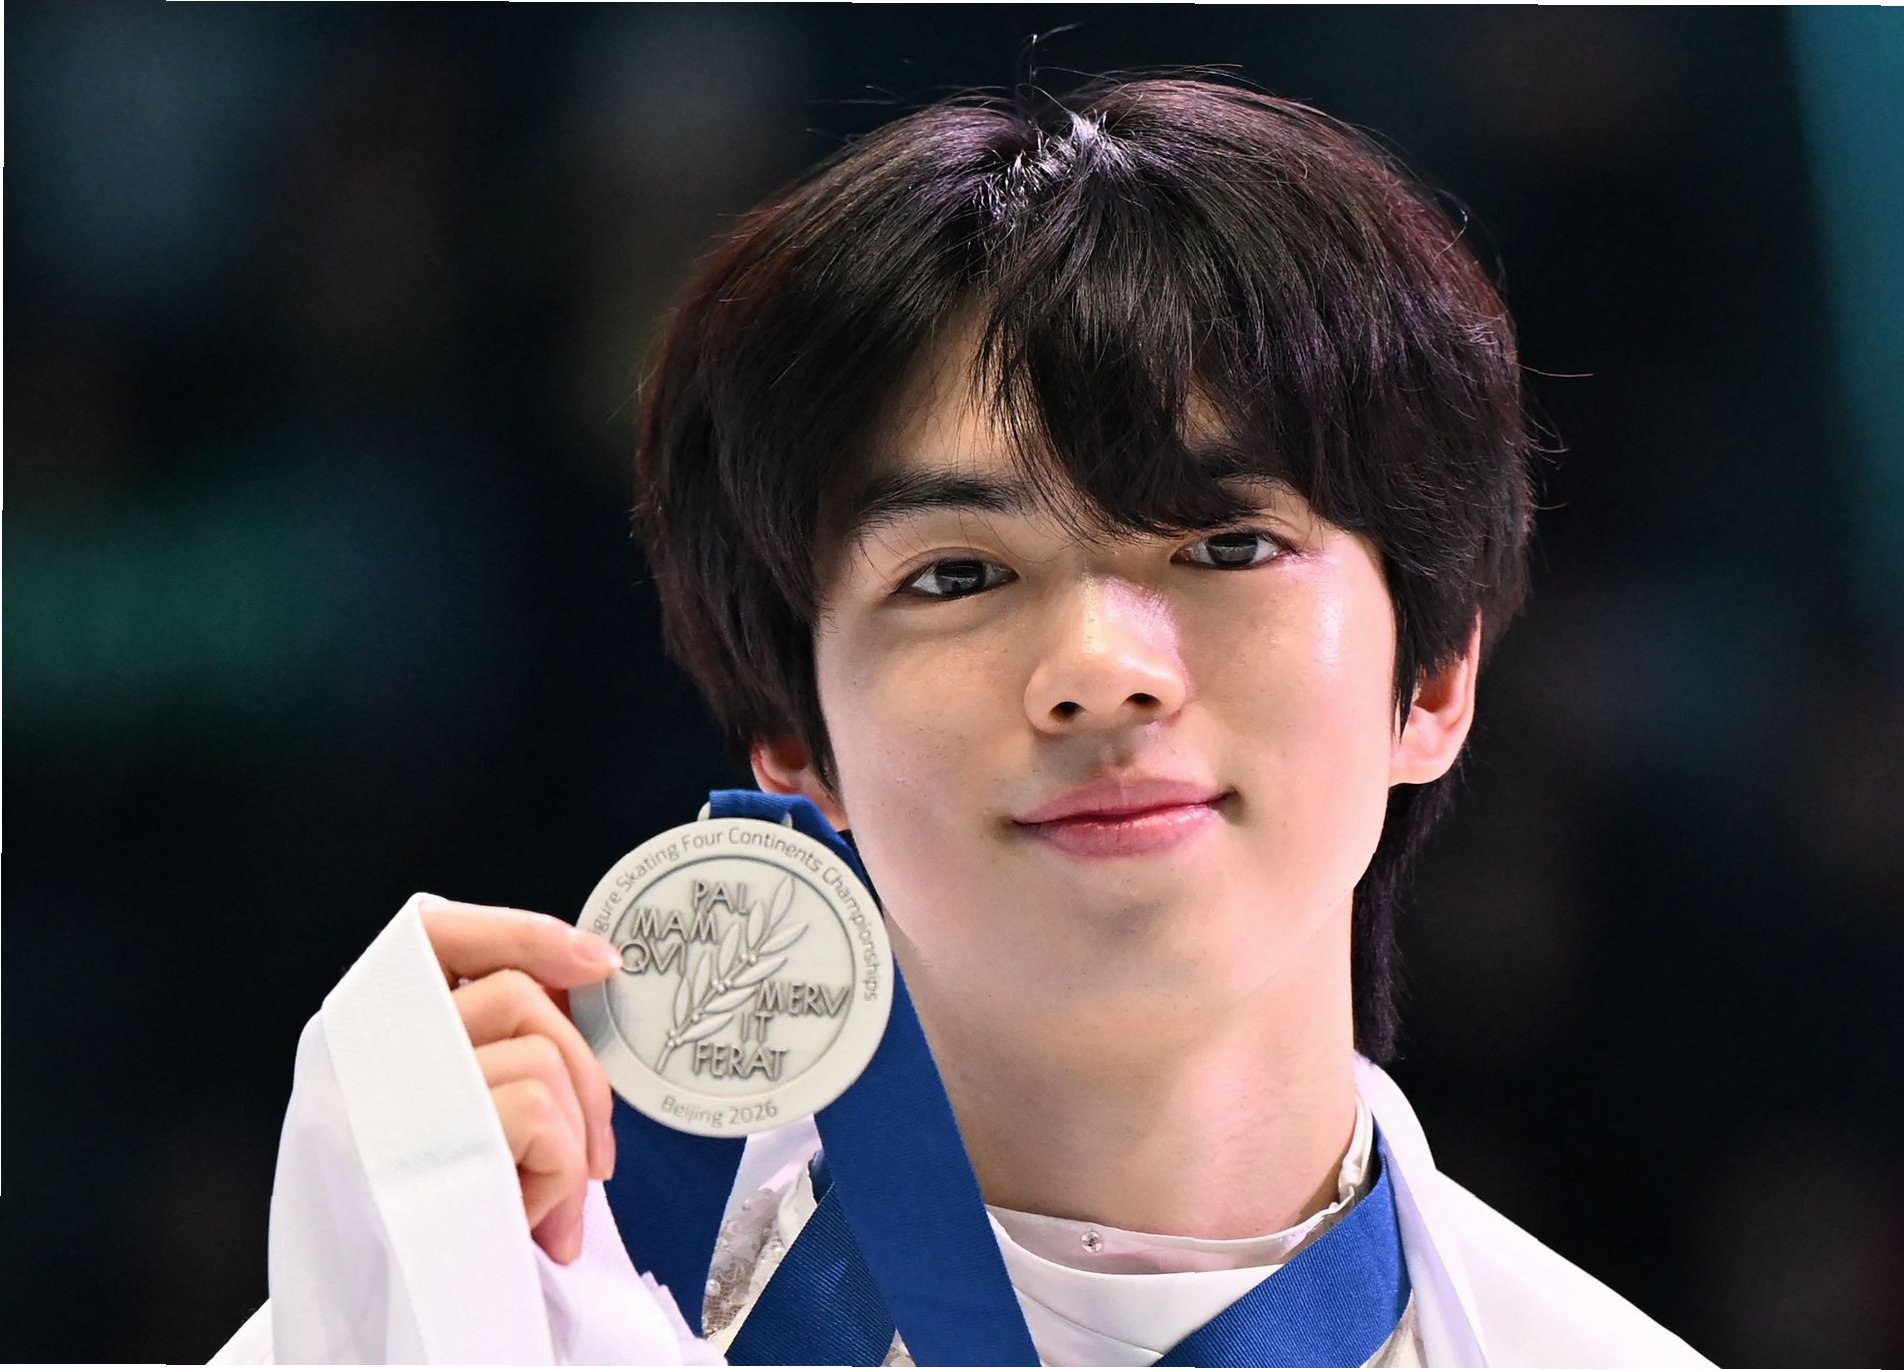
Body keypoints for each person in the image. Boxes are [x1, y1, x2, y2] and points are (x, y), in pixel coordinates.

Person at [214, 74, 1714, 1367]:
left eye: (1226, 545)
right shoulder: (496, 1301)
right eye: (956, 574)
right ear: (794, 740)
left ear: (1431, 677)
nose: (1100, 668)